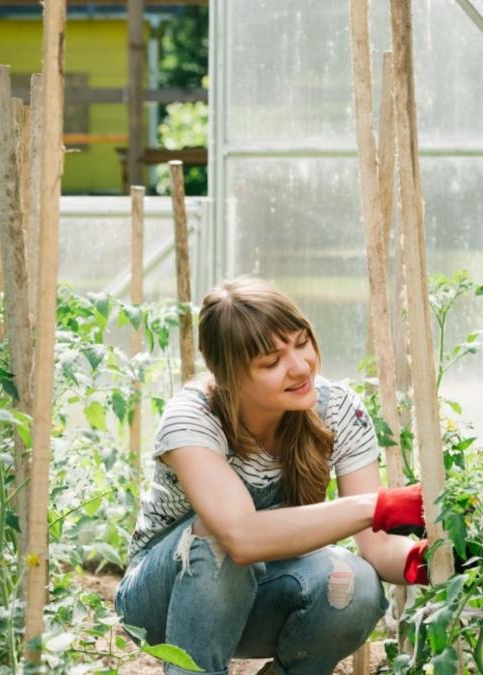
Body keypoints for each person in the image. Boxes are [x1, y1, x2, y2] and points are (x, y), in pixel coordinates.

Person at [114, 277, 434, 675]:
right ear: (228, 375)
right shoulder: (193, 419)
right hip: (159, 602)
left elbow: (378, 548)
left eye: (301, 343)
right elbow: (241, 537)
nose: (300, 367)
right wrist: (378, 506)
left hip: (263, 592)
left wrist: (428, 560)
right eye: (271, 362)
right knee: (218, 542)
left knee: (355, 584)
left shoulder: (337, 411)